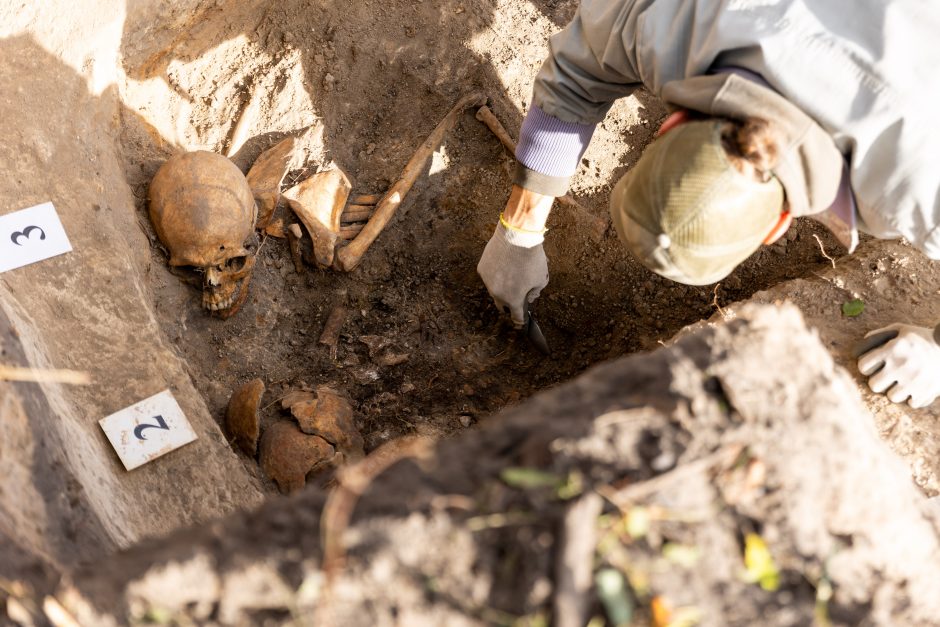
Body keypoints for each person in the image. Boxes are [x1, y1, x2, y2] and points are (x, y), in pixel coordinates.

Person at [476, 0, 940, 408]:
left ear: (669, 123)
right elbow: (575, 76)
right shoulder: (666, 18)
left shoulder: (921, 187)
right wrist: (519, 229)